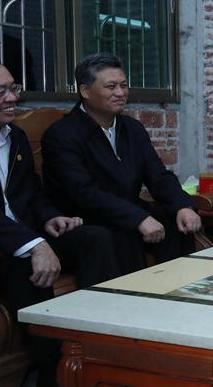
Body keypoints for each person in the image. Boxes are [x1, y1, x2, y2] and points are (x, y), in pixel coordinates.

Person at [0, 55, 119, 387]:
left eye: (14, 88)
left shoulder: (15, 137)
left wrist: (50, 217)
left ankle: (101, 353)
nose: (13, 98)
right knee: (30, 264)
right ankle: (57, 381)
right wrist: (34, 243)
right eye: (0, 91)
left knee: (96, 238)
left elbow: (30, 195)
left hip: (22, 235)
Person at [41, 53, 201, 274]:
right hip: (84, 218)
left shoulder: (131, 128)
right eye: (110, 87)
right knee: (122, 231)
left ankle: (181, 287)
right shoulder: (62, 134)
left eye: (123, 85)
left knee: (175, 219)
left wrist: (182, 205)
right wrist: (139, 218)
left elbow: (158, 176)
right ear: (85, 91)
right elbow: (84, 193)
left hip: (126, 211)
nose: (120, 93)